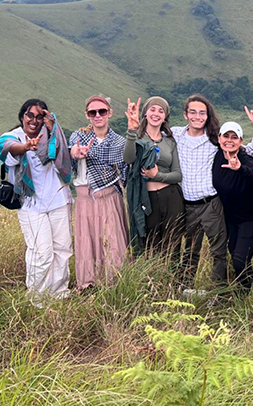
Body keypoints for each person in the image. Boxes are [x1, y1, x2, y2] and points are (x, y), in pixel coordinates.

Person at [171, 95, 253, 288]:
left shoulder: (214, 140)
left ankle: (218, 291)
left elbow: (246, 152)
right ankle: (184, 288)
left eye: (202, 112)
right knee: (190, 251)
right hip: (187, 204)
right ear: (185, 114)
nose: (197, 116)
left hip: (211, 204)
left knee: (218, 251)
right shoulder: (175, 135)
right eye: (193, 112)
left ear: (208, 115)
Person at [0, 99, 72, 306]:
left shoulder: (54, 137)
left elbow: (63, 157)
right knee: (41, 253)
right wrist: (26, 146)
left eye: (40, 116)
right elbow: (8, 148)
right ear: (22, 116)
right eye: (29, 115)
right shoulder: (12, 137)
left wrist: (52, 129)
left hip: (58, 200)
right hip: (31, 205)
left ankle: (59, 293)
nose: (34, 120)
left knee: (62, 249)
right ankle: (37, 299)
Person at [69, 96, 129, 290]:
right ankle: (87, 285)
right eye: (92, 112)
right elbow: (72, 153)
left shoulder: (119, 141)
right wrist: (75, 153)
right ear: (87, 115)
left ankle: (115, 285)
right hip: (85, 197)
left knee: (113, 242)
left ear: (109, 113)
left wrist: (91, 153)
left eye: (102, 111)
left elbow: (121, 163)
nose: (97, 116)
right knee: (87, 242)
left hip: (109, 195)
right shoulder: (78, 137)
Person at [124, 96, 184, 259]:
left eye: (161, 110)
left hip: (171, 198)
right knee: (150, 244)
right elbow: (128, 159)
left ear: (165, 117)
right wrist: (131, 130)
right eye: (152, 109)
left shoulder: (169, 142)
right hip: (147, 199)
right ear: (145, 113)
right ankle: (151, 282)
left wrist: (157, 175)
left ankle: (174, 283)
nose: (156, 113)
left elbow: (178, 175)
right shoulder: (137, 138)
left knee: (172, 245)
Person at [212, 121, 253, 290]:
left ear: (241, 141)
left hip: (251, 218)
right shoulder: (216, 156)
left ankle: (245, 294)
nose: (229, 140)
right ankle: (243, 287)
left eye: (234, 137)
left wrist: (240, 168)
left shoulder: (245, 159)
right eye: (226, 136)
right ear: (219, 138)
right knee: (235, 254)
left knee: (240, 259)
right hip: (231, 218)